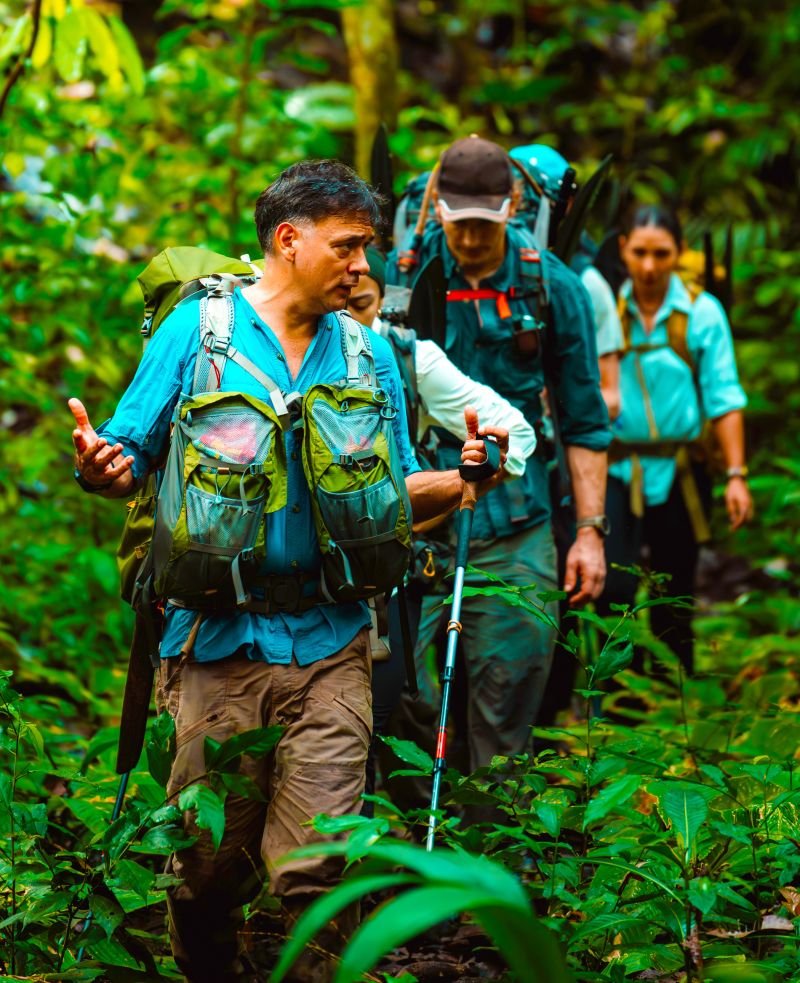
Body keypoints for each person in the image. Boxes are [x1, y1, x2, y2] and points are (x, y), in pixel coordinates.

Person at [69, 160, 509, 983]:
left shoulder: (366, 354)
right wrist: (104, 465)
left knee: (316, 870)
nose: (363, 268)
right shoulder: (199, 337)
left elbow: (397, 490)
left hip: (334, 642)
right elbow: (131, 451)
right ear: (288, 239)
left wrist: (464, 477)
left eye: (367, 249)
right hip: (216, 644)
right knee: (204, 870)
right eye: (347, 247)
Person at [386, 135, 611, 781]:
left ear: (511, 206)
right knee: (394, 685)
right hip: (420, 512)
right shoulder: (404, 274)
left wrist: (590, 534)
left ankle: (495, 858)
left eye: (486, 223)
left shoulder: (552, 286)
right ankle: (406, 847)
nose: (472, 238)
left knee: (507, 695)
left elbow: (585, 420)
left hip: (516, 522)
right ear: (439, 208)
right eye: (460, 224)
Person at [346, 245, 537, 803]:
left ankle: (416, 831)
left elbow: (515, 437)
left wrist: (454, 490)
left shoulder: (406, 358)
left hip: (393, 570)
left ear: (383, 302)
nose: (349, 319)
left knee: (388, 703)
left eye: (362, 305)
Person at [598, 204, 752, 677]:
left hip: (681, 467)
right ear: (623, 249)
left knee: (675, 582)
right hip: (618, 467)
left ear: (678, 254)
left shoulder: (702, 313)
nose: (649, 266)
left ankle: (670, 690)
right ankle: (618, 692)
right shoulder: (608, 308)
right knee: (614, 583)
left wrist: (735, 475)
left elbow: (724, 396)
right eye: (640, 252)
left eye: (661, 254)